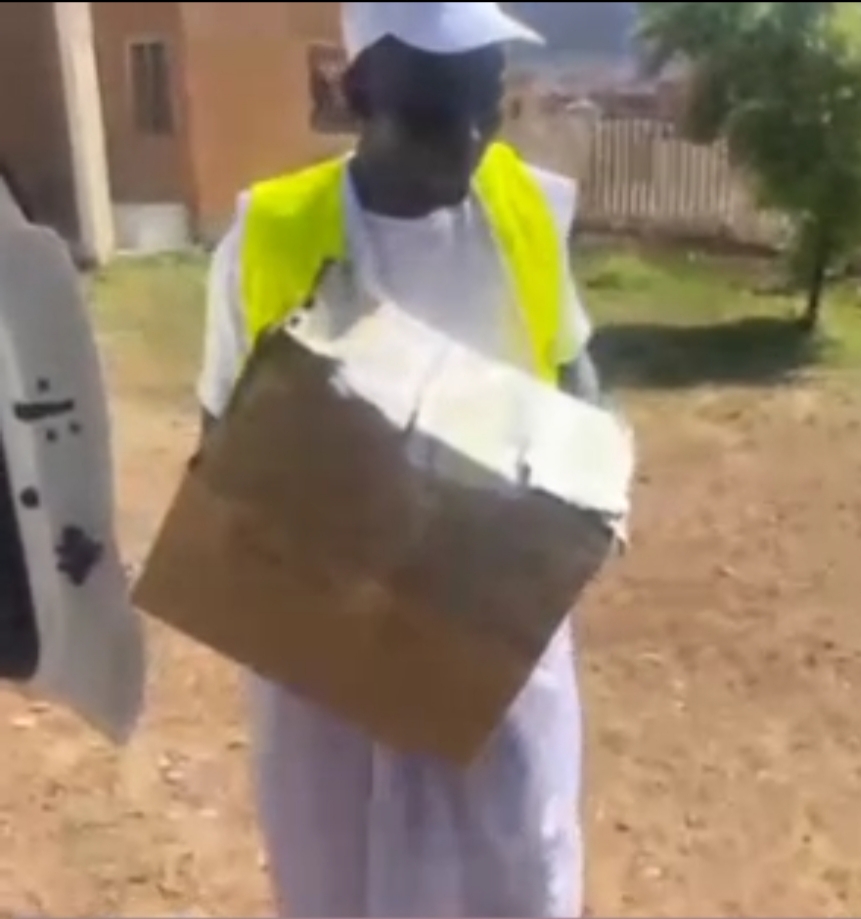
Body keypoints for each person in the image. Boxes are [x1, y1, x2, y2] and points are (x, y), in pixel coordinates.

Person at [196, 3, 603, 916]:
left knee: (517, 876)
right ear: (356, 94)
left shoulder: (523, 210)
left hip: (496, 639)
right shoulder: (272, 235)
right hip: (328, 647)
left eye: (486, 104)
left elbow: (578, 377)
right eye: (431, 111)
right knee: (343, 881)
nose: (466, 139)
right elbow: (220, 445)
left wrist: (590, 485)